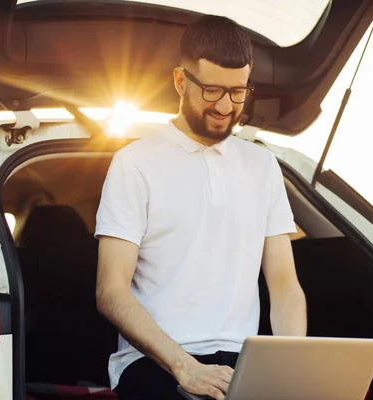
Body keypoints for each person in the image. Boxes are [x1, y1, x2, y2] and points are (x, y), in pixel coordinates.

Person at [94, 14, 307, 400]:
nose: (226, 106)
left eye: (238, 92)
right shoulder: (134, 163)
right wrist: (184, 367)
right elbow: (111, 291)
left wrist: (290, 367)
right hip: (155, 362)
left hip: (244, 360)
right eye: (212, 90)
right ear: (180, 81)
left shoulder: (263, 166)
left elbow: (284, 284)